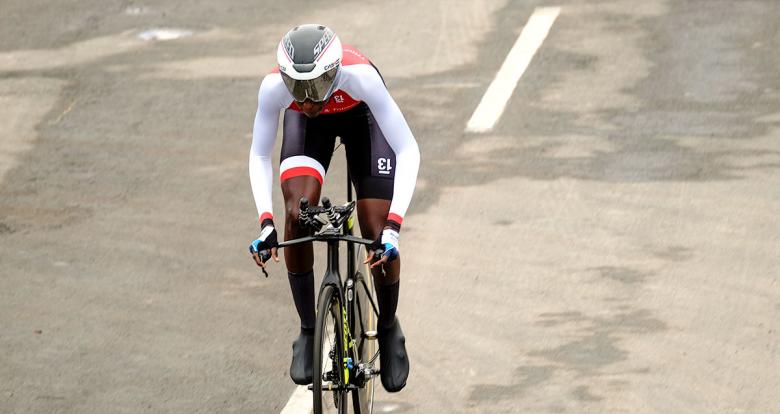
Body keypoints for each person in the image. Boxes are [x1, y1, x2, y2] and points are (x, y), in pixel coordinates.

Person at [247, 24, 420, 393]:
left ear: (333, 72)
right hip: (313, 133)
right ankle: (308, 331)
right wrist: (266, 223)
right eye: (298, 88)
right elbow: (259, 153)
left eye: (315, 88)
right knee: (296, 215)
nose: (306, 101)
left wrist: (393, 228)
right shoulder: (275, 88)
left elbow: (408, 149)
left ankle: (388, 328)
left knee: (375, 229)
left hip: (362, 121)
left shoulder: (361, 79)